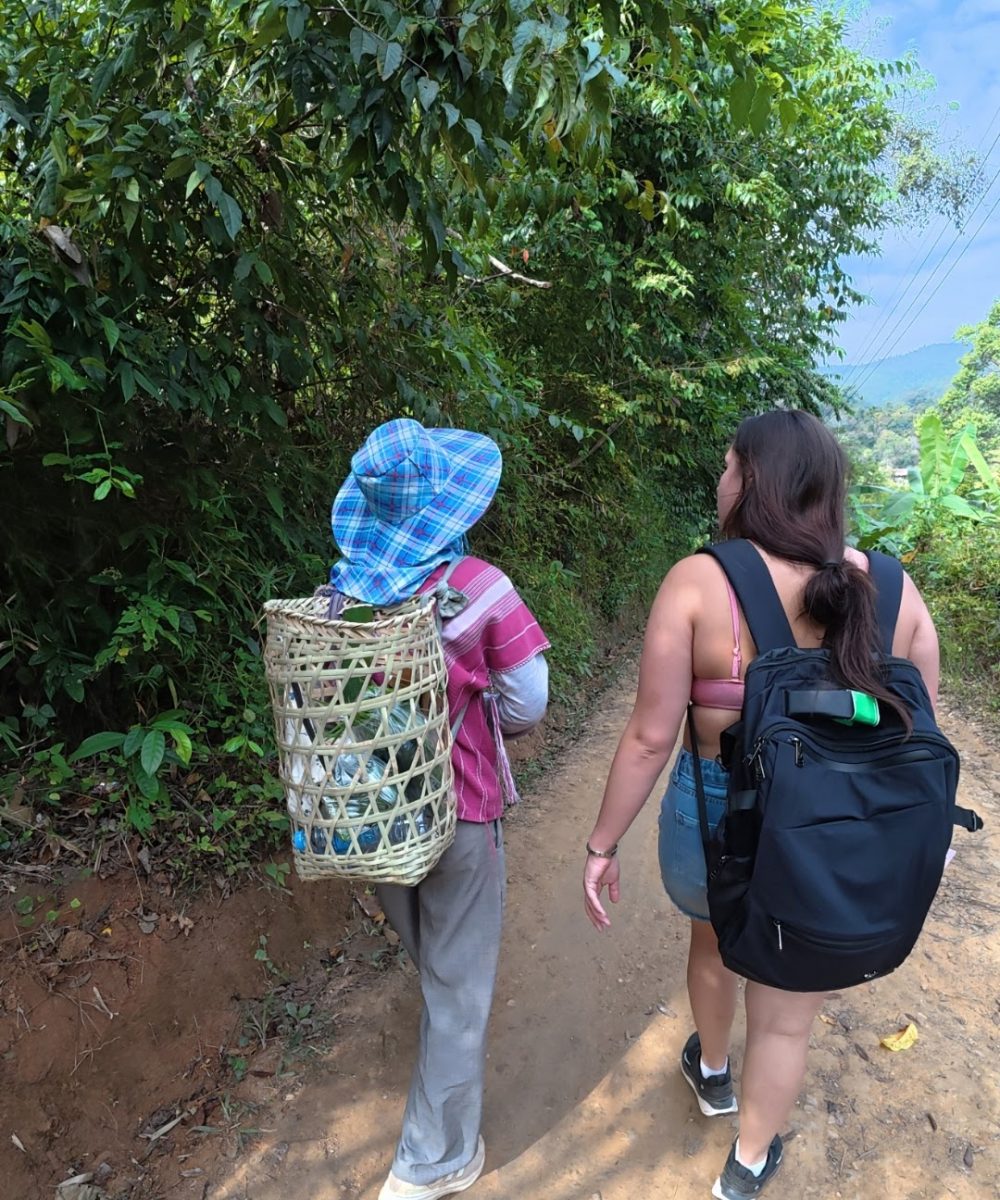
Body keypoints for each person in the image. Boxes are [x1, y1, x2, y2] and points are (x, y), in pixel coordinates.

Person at [582, 409, 940, 1199]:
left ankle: (712, 1072)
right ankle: (746, 1166)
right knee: (786, 1012)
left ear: (752, 480)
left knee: (713, 942)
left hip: (716, 817)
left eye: (726, 465)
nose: (720, 480)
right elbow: (917, 741)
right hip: (833, 829)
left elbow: (648, 737)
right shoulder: (893, 589)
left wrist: (602, 844)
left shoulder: (701, 580)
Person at [329, 417, 550, 1200]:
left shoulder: (338, 596)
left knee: (436, 964)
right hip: (461, 811)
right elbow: (527, 703)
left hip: (370, 816)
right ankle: (431, 1162)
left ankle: (440, 1096)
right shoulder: (480, 587)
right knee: (458, 988)